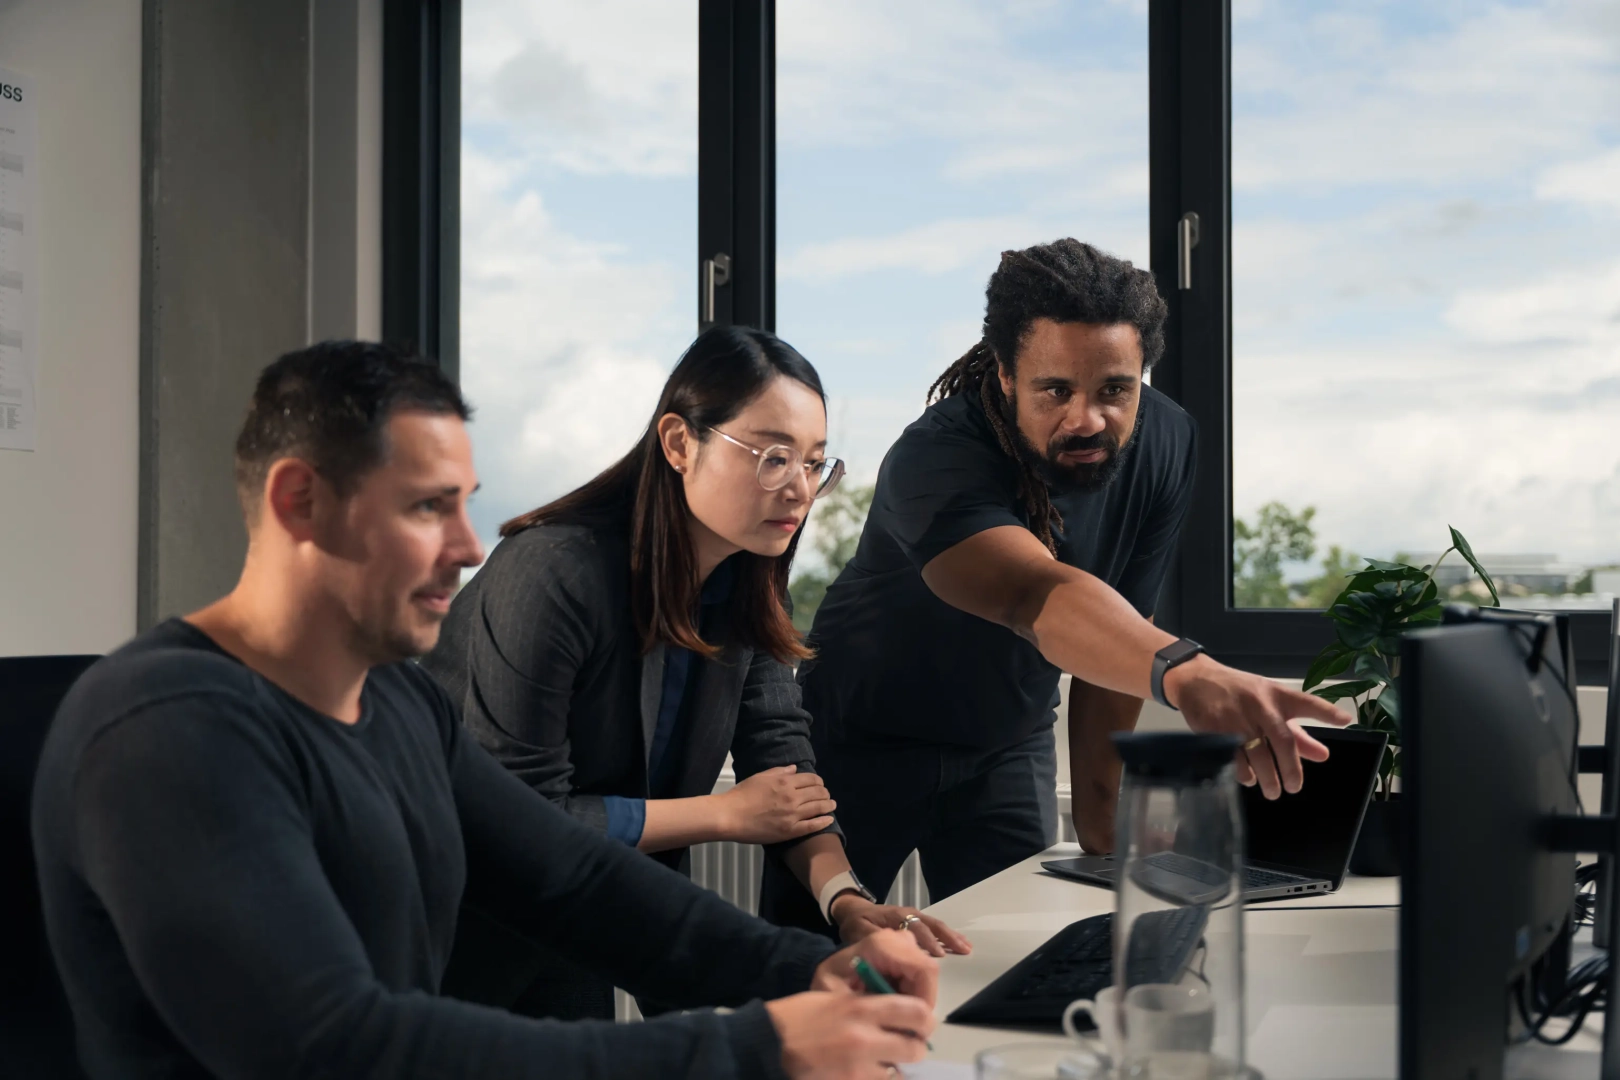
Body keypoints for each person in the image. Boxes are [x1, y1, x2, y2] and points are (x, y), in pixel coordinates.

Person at [30, 341, 937, 1080]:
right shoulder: (171, 731)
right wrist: (758, 1046)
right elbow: (334, 1048)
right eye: (430, 509)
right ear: (299, 503)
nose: (469, 548)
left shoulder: (391, 702)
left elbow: (571, 879)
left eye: (464, 505)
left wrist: (803, 965)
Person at [759, 239, 1350, 930]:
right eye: (1055, 391)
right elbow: (1035, 596)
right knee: (801, 977)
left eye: (1114, 390)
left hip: (1006, 747)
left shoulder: (1166, 442)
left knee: (1022, 957)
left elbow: (1116, 640)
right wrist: (1189, 675)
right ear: (1007, 377)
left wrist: (1109, 848)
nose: (1087, 419)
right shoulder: (936, 457)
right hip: (855, 740)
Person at [422, 325, 968, 1016]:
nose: (799, 489)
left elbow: (784, 769)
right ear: (680, 443)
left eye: (815, 463)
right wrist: (722, 815)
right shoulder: (552, 571)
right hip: (451, 918)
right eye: (774, 457)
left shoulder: (748, 582)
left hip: (575, 915)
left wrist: (848, 902)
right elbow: (520, 814)